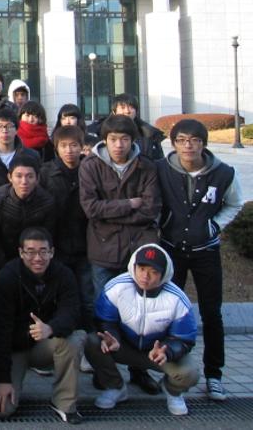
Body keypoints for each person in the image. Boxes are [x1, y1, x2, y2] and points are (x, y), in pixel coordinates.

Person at [156, 119, 244, 400]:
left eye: (194, 140)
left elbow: (234, 203)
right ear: (173, 143)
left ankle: (214, 375)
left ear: (203, 144)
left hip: (206, 251)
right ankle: (171, 371)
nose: (188, 146)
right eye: (182, 140)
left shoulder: (223, 173)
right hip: (172, 249)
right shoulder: (161, 169)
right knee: (169, 311)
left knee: (211, 313)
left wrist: (214, 226)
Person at [79, 113, 162, 395]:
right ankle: (106, 372)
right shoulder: (90, 165)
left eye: (124, 139)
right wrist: (128, 204)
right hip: (102, 248)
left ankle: (140, 370)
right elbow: (91, 208)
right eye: (113, 139)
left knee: (139, 313)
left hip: (136, 249)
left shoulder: (146, 166)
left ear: (132, 140)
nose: (119, 145)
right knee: (103, 312)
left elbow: (150, 209)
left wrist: (112, 211)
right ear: (105, 140)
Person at [0, 227, 85, 424]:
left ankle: (64, 403)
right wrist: (3, 379)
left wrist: (51, 328)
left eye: (43, 251)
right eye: (30, 252)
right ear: (21, 253)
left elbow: (72, 312)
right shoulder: (7, 277)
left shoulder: (64, 274)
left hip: (45, 344)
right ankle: (7, 380)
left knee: (75, 339)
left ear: (52, 252)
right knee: (0, 410)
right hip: (14, 348)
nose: (37, 258)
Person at [85, 244, 199, 416]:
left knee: (190, 372)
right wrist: (113, 337)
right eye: (142, 268)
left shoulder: (177, 299)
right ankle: (115, 387)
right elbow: (104, 320)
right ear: (134, 267)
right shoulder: (116, 287)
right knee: (92, 341)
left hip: (157, 353)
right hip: (124, 347)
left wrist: (167, 351)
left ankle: (172, 391)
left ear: (164, 274)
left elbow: (184, 338)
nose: (145, 276)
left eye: (153, 271)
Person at [39, 126, 93, 331]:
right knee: (58, 295)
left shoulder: (90, 169)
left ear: (81, 147)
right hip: (57, 243)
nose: (69, 150)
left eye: (74, 145)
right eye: (63, 146)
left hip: (86, 244)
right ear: (56, 148)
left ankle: (90, 337)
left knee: (87, 295)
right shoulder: (46, 172)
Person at [0, 158, 57, 279]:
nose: (24, 182)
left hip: (34, 256)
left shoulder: (47, 201)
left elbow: (47, 236)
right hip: (3, 255)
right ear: (10, 177)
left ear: (37, 178)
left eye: (30, 176)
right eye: (19, 176)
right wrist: (0, 269)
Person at [0, 108, 41, 192]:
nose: (5, 130)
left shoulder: (31, 155)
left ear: (16, 129)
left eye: (9, 126)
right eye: (0, 126)